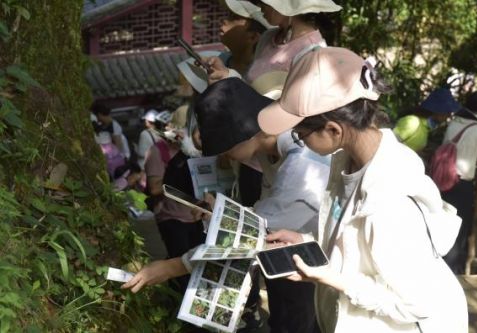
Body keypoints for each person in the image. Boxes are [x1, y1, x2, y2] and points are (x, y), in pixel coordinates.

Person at [258, 47, 468, 333]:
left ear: (333, 130)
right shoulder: (347, 160)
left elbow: (416, 305)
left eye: (299, 133)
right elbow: (351, 237)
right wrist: (307, 239)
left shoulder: (389, 204)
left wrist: (332, 277)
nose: (297, 141)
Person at [123, 78, 330, 333]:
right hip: (297, 253)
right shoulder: (272, 149)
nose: (222, 156)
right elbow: (265, 212)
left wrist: (171, 267)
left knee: (297, 322)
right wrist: (220, 212)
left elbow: (253, 235)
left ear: (243, 133)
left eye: (224, 147)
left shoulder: (300, 165)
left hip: (319, 261)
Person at [206, 0, 341, 85]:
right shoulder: (268, 37)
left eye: (266, 3)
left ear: (288, 10)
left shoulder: (313, 50)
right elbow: (251, 86)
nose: (260, 8)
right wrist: (227, 74)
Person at [143, 111, 205, 292]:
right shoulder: (157, 151)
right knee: (180, 266)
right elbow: (154, 188)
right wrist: (177, 177)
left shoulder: (197, 150)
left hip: (197, 217)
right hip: (172, 217)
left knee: (199, 264)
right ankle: (181, 306)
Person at [440, 92, 477, 274]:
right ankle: (451, 276)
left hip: (443, 182)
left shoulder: (455, 123)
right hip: (461, 187)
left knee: (443, 230)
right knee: (457, 236)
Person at [393, 87, 460, 153]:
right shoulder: (413, 122)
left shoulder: (426, 128)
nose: (449, 116)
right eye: (447, 112)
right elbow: (389, 142)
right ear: (437, 111)